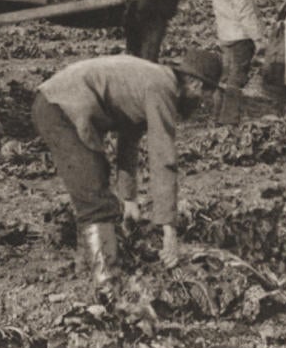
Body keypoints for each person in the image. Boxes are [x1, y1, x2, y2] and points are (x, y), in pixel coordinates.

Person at [31, 49, 219, 292]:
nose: (201, 103)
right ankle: (108, 286)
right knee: (95, 197)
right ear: (195, 84)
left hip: (59, 101)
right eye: (204, 95)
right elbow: (163, 158)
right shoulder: (162, 89)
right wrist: (169, 231)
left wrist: (129, 199)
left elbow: (129, 139)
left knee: (95, 181)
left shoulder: (152, 80)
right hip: (60, 107)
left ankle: (87, 265)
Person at [203, 0, 262, 125]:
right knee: (237, 79)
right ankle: (229, 120)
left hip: (224, 31)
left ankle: (216, 115)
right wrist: (257, 37)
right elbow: (244, 8)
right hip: (239, 34)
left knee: (225, 76)